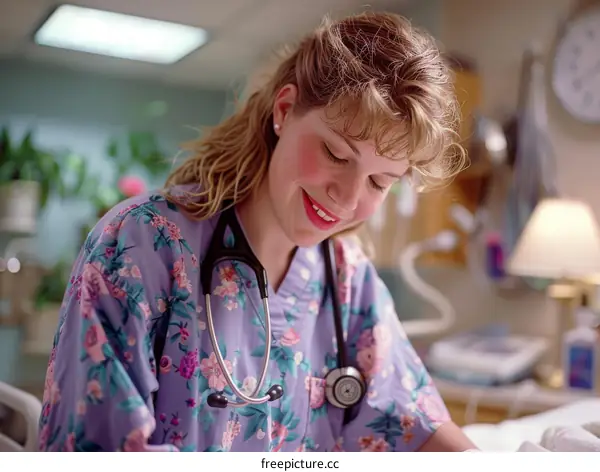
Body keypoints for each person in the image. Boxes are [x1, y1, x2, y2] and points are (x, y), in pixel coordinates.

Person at [37, 11, 478, 452]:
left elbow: (416, 424)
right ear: (284, 110)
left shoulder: (348, 282)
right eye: (335, 154)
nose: (346, 198)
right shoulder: (141, 244)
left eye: (380, 181)